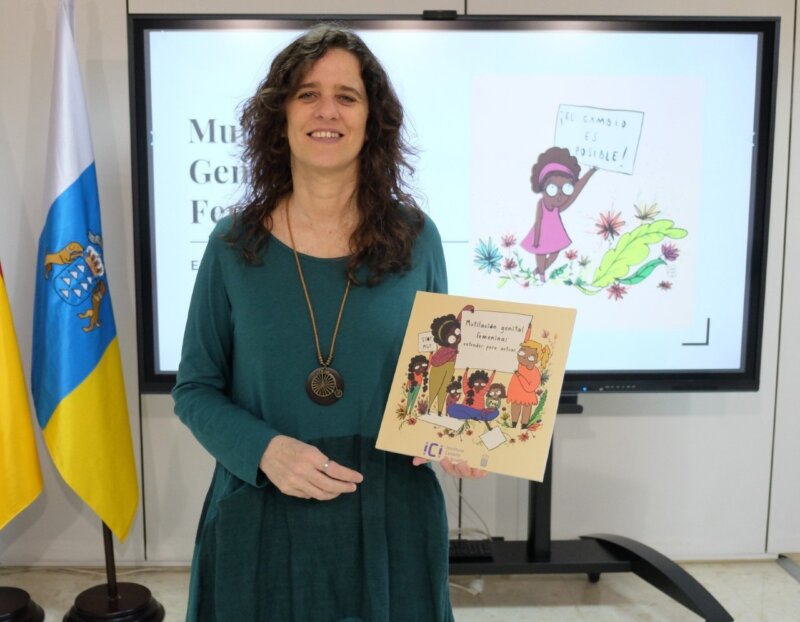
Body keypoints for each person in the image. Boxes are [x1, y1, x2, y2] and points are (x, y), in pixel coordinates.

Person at [172, 25, 486, 622]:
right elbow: (195, 389)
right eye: (307, 94)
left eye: (347, 96)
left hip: (392, 513)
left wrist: (458, 435)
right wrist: (265, 451)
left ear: (372, 121)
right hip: (262, 507)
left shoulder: (418, 239)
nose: (327, 111)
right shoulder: (233, 244)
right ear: (281, 116)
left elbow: (440, 380)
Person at [519, 146, 596, 281]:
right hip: (541, 234)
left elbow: (576, 191)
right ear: (543, 188)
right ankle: (542, 275)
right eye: (552, 189)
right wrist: (536, 240)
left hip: (555, 234)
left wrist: (591, 172)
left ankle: (540, 269)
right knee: (541, 252)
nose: (559, 195)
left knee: (555, 254)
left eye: (566, 188)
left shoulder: (558, 208)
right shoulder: (541, 204)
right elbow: (538, 221)